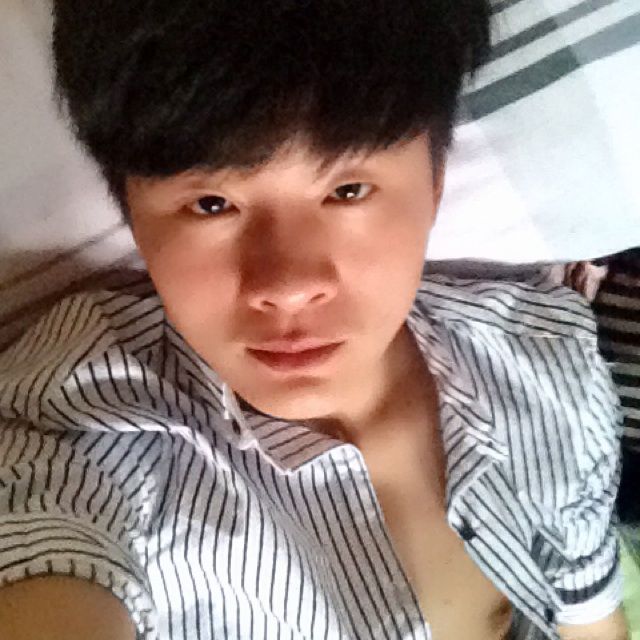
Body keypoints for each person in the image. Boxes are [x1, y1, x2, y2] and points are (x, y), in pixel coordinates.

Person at [0, 1, 629, 638]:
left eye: (347, 191)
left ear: (434, 185)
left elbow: (591, 616)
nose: (288, 288)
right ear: (133, 216)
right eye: (212, 203)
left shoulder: (548, 361)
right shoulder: (84, 414)